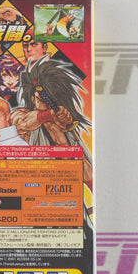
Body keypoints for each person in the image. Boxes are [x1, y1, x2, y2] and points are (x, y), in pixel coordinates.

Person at [12, 58, 93, 188]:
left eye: (50, 100)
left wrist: (65, 123)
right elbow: (22, 123)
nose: (45, 103)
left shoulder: (64, 126)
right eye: (40, 99)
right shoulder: (23, 115)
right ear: (33, 99)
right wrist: (49, 114)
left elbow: (87, 172)